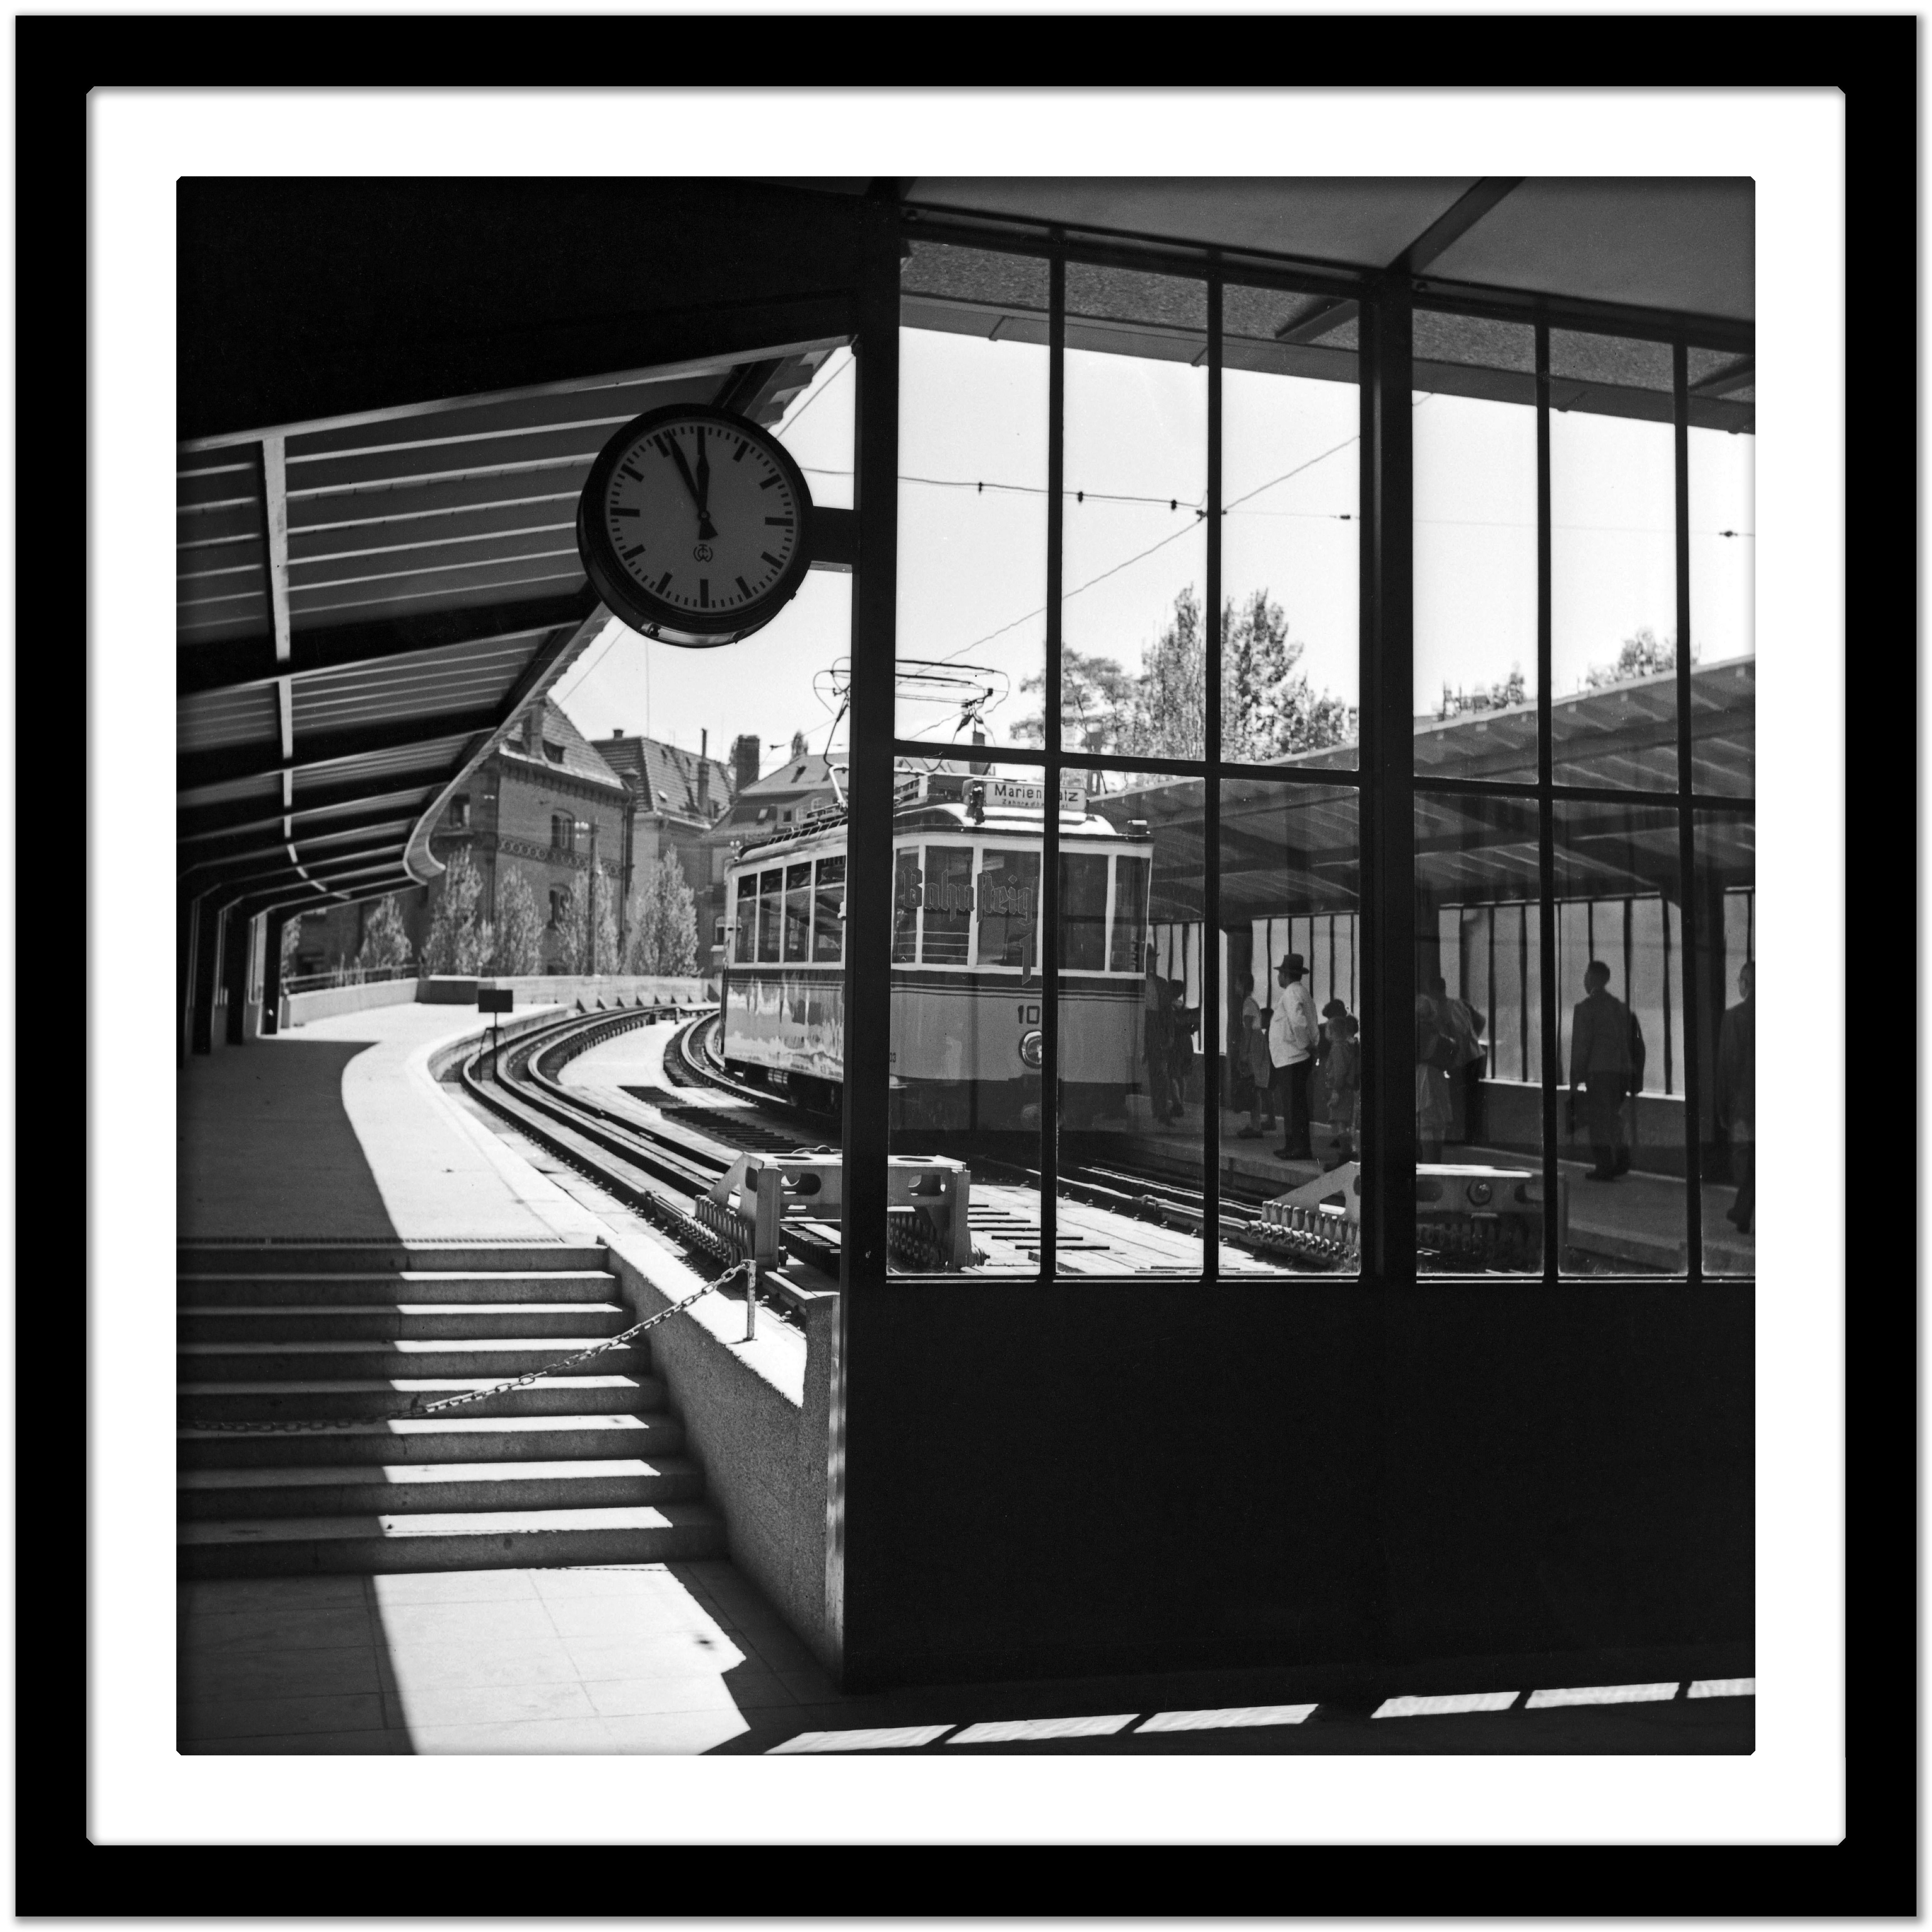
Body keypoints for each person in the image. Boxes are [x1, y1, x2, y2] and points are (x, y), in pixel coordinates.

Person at [1567, 959, 1645, 1181]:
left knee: (1599, 1122)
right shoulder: (1622, 1008)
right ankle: (1621, 1159)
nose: (1584, 980)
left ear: (1591, 979)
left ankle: (1604, 1166)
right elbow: (1638, 1043)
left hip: (1599, 1073)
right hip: (1622, 1073)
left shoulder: (1585, 1009)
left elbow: (1582, 1046)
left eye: (1586, 976)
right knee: (1613, 1117)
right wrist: (1636, 1076)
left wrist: (1575, 1079)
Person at [1715, 959, 1755, 1234]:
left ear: (1747, 983)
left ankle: (1743, 1212)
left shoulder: (1735, 1017)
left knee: (1746, 1158)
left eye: (1740, 979)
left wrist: (1722, 1107)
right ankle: (1743, 1212)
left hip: (1745, 1106)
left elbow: (1726, 1068)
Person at [1268, 952, 1317, 1161]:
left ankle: (1299, 1148)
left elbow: (1298, 1023)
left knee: (1294, 1106)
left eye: (1280, 973)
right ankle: (1293, 1145)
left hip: (1293, 1058)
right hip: (1294, 1058)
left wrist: (1304, 1046)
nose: (1278, 977)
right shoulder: (1301, 992)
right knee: (1294, 1105)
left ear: (1286, 975)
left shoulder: (1291, 993)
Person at [1431, 974, 1483, 1145]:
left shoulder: (1451, 1007)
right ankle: (1467, 1135)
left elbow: (1461, 1035)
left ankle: (1466, 1137)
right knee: (1467, 1097)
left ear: (1438, 991)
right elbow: (1480, 1021)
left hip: (1466, 1059)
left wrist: (1458, 1057)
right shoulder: (1456, 1005)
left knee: (1463, 1098)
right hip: (1469, 1057)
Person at [1232, 971, 1275, 1138]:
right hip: (1258, 1044)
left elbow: (1248, 1030)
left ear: (1243, 986)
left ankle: (1256, 1127)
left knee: (1253, 1085)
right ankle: (1256, 1124)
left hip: (1254, 1046)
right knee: (1255, 1086)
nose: (1236, 987)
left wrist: (1244, 1054)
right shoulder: (1252, 1002)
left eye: (1237, 984)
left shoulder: (1248, 1004)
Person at [1415, 987, 1456, 1163]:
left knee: (1426, 1123)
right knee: (1437, 1123)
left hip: (1421, 1078)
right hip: (1437, 1077)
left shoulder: (1416, 1032)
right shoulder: (1437, 1032)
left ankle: (1429, 1161)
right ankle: (1434, 1160)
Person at [1322, 1007, 1361, 1168]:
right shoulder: (1347, 1047)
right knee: (1344, 1123)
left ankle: (1346, 1156)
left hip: (1341, 1091)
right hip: (1348, 1090)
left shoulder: (1337, 1049)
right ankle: (1347, 1154)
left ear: (1332, 1032)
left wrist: (1336, 1091)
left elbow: (1339, 1071)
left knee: (1340, 1124)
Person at [1143, 957, 1174, 1125]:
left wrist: (1170, 1035)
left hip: (1157, 1027)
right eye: (1149, 960)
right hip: (1143, 1024)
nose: (1151, 964)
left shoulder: (1161, 983)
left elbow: (1168, 1012)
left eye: (1152, 960)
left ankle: (1162, 1111)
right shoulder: (1136, 982)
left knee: (1161, 1071)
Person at [1166, 980, 1196, 1123]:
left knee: (1172, 1074)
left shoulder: (1168, 1007)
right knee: (1183, 1075)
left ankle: (1177, 1104)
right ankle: (1181, 1104)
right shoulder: (1185, 1006)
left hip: (1175, 1043)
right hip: (1187, 1043)